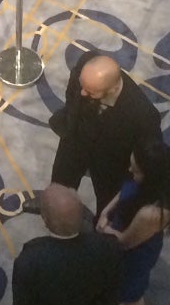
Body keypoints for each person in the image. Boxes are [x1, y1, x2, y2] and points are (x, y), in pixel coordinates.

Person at [42, 52, 161, 218]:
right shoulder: (86, 64)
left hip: (110, 163)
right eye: (82, 85)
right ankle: (53, 210)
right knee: (60, 182)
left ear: (113, 89)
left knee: (107, 206)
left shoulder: (144, 116)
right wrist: (72, 120)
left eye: (90, 92)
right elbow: (73, 94)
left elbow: (147, 159)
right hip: (77, 138)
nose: (83, 93)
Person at [96, 138, 170, 305]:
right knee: (123, 289)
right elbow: (123, 192)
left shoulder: (152, 213)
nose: (129, 170)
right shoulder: (143, 184)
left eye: (135, 170)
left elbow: (126, 243)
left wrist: (104, 228)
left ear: (151, 177)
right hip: (123, 231)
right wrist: (106, 211)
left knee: (132, 291)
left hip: (134, 253)